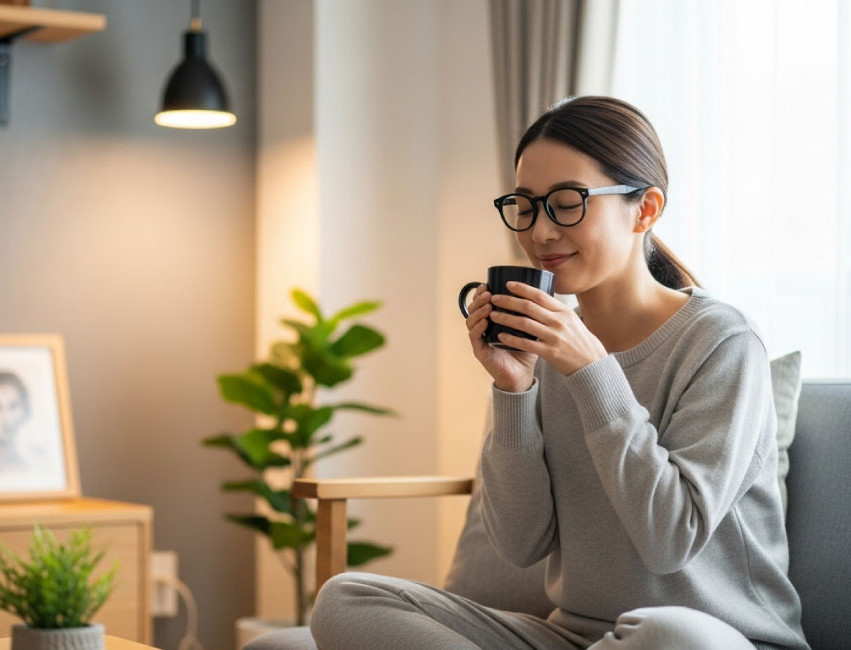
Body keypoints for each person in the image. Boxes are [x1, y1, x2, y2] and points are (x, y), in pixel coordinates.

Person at [309, 97, 809, 650]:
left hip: (713, 639)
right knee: (346, 598)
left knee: (668, 635)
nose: (540, 232)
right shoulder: (545, 349)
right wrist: (514, 389)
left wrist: (591, 370)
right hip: (574, 637)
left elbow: (670, 538)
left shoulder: (722, 341)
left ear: (645, 209)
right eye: (525, 206)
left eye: (567, 204)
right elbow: (520, 544)